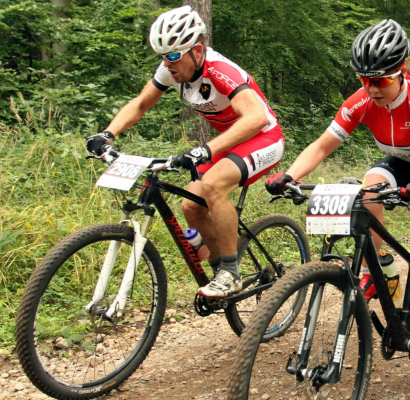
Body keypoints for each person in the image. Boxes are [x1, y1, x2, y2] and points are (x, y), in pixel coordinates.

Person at [264, 19, 410, 379]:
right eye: (364, 80)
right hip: (402, 163)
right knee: (367, 191)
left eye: (381, 80)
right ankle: (381, 271)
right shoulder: (361, 101)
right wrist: (291, 176)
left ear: (401, 71)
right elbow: (322, 146)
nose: (372, 89)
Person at [85, 6, 284, 298]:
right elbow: (140, 104)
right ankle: (220, 270)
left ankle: (231, 273)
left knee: (213, 185)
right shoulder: (171, 70)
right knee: (191, 206)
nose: (167, 64)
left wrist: (205, 149)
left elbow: (255, 118)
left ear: (198, 51)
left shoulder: (220, 71)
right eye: (163, 57)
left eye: (174, 56)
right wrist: (107, 133)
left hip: (264, 137)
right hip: (230, 140)